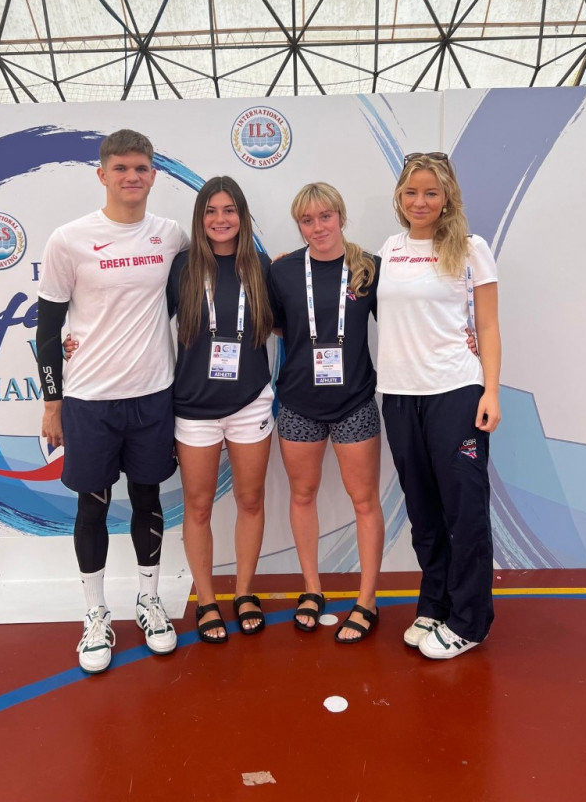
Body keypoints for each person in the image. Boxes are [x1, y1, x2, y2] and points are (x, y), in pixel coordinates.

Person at [36, 129, 188, 673]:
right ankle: (95, 613)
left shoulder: (170, 235)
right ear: (102, 174)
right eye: (121, 167)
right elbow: (48, 328)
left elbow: (219, 264)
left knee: (148, 500)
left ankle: (149, 601)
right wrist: (52, 404)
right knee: (92, 506)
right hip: (89, 401)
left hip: (151, 396)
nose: (132, 177)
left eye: (141, 168)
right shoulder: (69, 239)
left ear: (153, 175)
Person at [376, 152, 501, 660]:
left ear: (446, 196)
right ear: (399, 198)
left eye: (430, 192)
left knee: (464, 510)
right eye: (411, 192)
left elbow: (489, 325)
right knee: (424, 510)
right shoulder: (389, 247)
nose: (420, 201)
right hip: (400, 394)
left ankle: (470, 620)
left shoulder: (471, 249)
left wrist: (491, 389)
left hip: (455, 391)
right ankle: (436, 600)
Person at [268, 183, 384, 643]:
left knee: (364, 501)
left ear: (341, 216)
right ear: (299, 225)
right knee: (302, 496)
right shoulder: (283, 271)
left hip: (355, 401)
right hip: (298, 404)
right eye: (307, 220)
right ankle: (312, 589)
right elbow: (277, 324)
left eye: (325, 217)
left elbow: (401, 322)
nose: (318, 228)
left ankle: (367, 599)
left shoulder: (367, 267)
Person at [167, 176, 275, 643]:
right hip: (193, 407)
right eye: (211, 211)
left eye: (229, 210)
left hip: (250, 402)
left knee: (250, 501)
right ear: (200, 218)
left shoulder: (261, 266)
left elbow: (296, 320)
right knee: (198, 506)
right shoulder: (182, 268)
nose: (220, 220)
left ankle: (244, 592)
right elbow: (136, 317)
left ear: (242, 215)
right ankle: (206, 599)